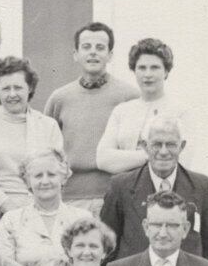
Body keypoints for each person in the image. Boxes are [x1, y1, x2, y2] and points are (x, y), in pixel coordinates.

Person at [99, 116, 208, 263]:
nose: (163, 152)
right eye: (157, 144)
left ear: (181, 146)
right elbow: (106, 244)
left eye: (170, 144)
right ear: (145, 146)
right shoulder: (120, 186)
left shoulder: (203, 187)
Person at [43, 22, 138, 210]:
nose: (93, 52)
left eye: (100, 47)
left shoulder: (130, 97)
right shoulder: (59, 98)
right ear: (75, 54)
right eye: (86, 47)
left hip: (117, 197)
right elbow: (46, 150)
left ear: (110, 55)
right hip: (70, 199)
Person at [0, 56, 64, 205]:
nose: (12, 94)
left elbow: (58, 173)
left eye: (18, 87)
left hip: (42, 206)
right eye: (6, 88)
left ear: (30, 88)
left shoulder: (48, 126)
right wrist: (7, 206)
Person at [0, 150, 93, 266]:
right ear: (27, 181)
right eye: (38, 175)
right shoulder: (11, 220)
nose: (45, 181)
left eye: (51, 175)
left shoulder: (82, 218)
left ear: (63, 178)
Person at [97, 37, 192, 177]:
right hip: (125, 191)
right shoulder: (121, 111)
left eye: (155, 68)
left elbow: (182, 162)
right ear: (134, 71)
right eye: (142, 68)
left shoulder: (180, 112)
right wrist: (153, 154)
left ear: (166, 71)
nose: (148, 74)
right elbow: (103, 159)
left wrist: (125, 158)